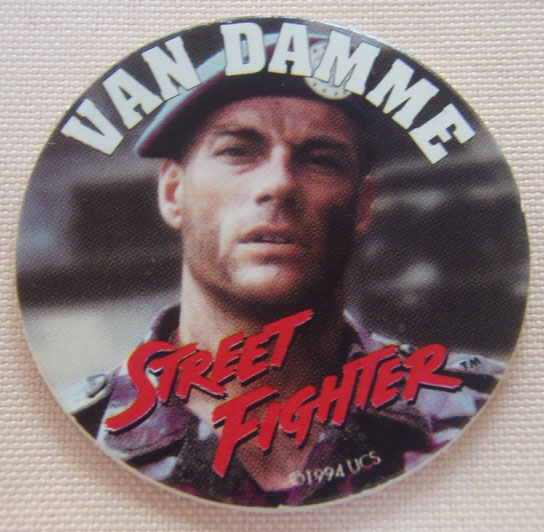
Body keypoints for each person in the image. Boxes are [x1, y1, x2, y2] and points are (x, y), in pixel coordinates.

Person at [63, 43, 502, 508]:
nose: (279, 183)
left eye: (321, 160)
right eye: (236, 151)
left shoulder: (476, 409)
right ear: (174, 193)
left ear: (362, 207)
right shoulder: (76, 435)